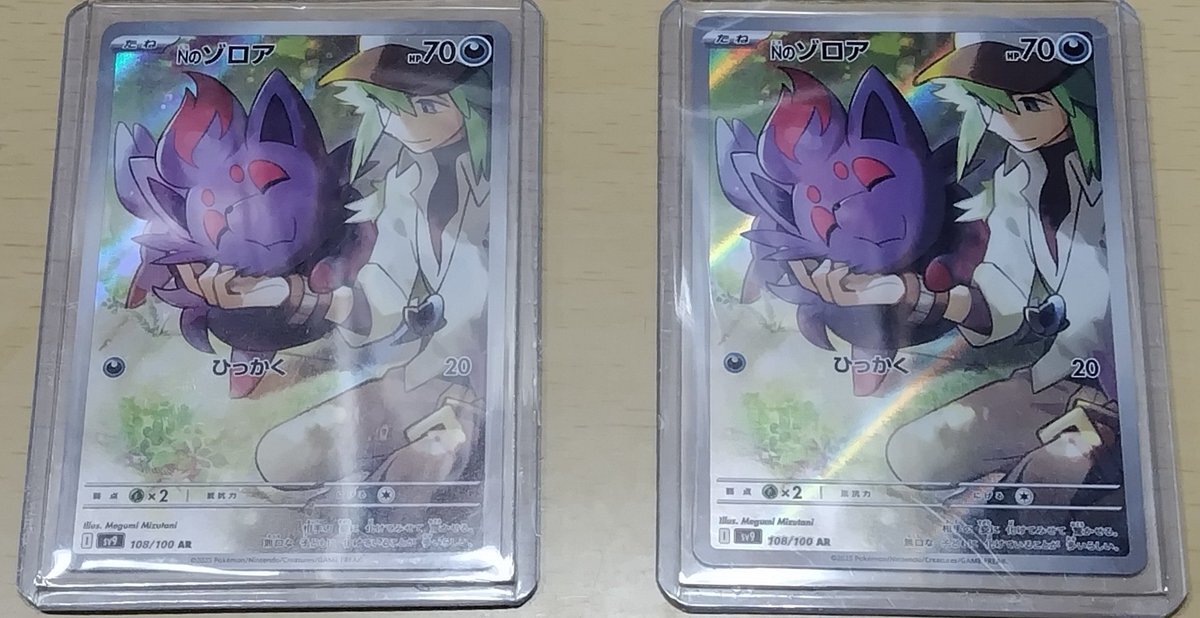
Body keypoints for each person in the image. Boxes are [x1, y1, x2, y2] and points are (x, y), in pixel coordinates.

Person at [792, 35, 1119, 509]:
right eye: (994, 106)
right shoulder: (1015, 183)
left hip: (1122, 390)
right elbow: (1000, 301)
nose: (1010, 120)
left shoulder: (1111, 183)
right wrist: (901, 293)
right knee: (913, 453)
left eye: (1031, 104)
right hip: (1058, 381)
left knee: (1049, 479)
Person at [177, 38, 494, 492]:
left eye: (428, 106)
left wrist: (471, 399)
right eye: (388, 107)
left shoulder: (494, 189)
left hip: (486, 389)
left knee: (409, 486)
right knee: (282, 458)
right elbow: (382, 306)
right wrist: (276, 293)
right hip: (418, 378)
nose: (406, 122)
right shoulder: (397, 186)